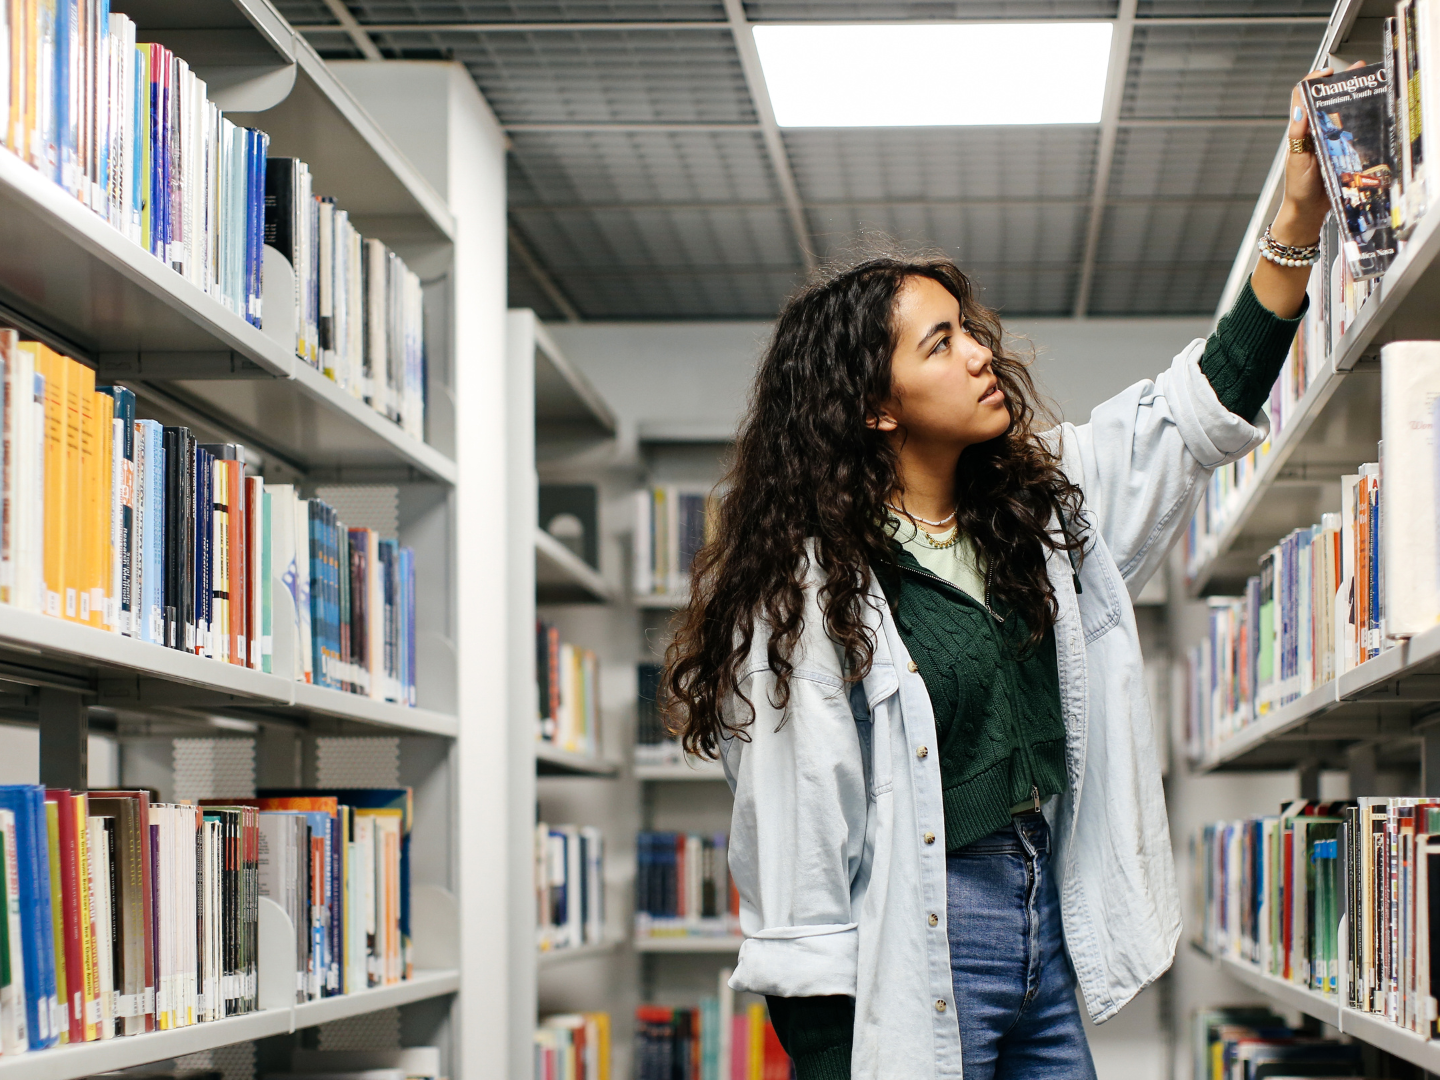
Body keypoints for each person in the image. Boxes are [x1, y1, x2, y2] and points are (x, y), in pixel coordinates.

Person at [661, 69, 1335, 1080]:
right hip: (921, 943)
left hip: (1041, 922)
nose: (981, 353)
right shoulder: (806, 597)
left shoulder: (1041, 507)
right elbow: (799, 858)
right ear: (876, 406)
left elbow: (1198, 411)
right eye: (942, 343)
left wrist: (1297, 211)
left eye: (969, 329)